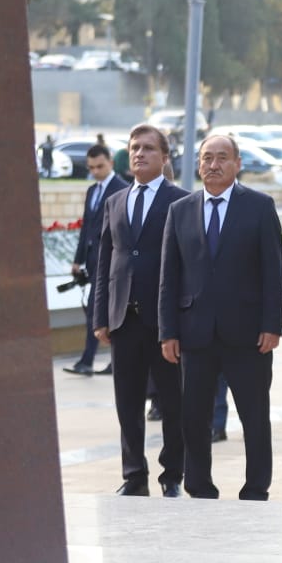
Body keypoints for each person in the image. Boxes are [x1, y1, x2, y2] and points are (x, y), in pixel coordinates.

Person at [159, 134, 282, 500]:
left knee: (254, 417)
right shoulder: (180, 210)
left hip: (248, 335)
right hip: (194, 334)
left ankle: (256, 487)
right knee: (194, 418)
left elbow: (271, 273)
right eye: (206, 158)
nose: (213, 165)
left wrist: (271, 325)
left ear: (237, 163)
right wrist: (168, 331)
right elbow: (170, 277)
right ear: (198, 164)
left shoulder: (260, 207)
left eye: (222, 158)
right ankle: (199, 485)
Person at [92, 124, 187, 496]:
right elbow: (106, 260)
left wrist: (178, 321)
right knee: (127, 402)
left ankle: (172, 475)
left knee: (172, 401)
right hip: (122, 319)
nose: (140, 154)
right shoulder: (115, 201)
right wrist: (100, 317)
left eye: (148, 148)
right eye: (134, 148)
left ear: (164, 158)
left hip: (164, 321)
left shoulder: (180, 201)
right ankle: (134, 475)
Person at [66, 143, 126, 376]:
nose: (95, 171)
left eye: (99, 166)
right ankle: (90, 361)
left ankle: (95, 361)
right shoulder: (92, 191)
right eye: (91, 167)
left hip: (113, 264)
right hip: (94, 262)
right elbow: (87, 228)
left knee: (105, 313)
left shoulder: (122, 189)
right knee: (96, 313)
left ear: (110, 162)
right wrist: (77, 260)